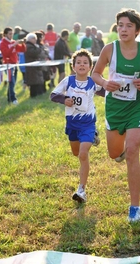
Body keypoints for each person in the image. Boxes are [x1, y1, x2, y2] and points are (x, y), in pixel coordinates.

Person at [91, 8, 140, 223]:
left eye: (129, 26)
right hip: (115, 107)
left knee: (132, 152)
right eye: (120, 25)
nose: (123, 29)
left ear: (138, 30)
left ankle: (135, 207)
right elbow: (95, 74)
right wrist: (105, 83)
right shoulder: (109, 49)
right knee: (115, 154)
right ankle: (121, 149)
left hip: (138, 106)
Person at [50, 49, 104, 203]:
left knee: (83, 154)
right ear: (73, 66)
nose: (81, 65)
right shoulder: (68, 81)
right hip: (72, 124)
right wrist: (64, 99)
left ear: (90, 66)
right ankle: (92, 137)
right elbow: (53, 95)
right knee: (76, 153)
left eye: (85, 63)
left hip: (88, 123)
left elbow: (107, 92)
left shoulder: (93, 82)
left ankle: (81, 190)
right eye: (78, 63)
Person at [0, 27, 26, 105]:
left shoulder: (13, 42)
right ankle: (13, 98)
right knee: (12, 81)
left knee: (13, 82)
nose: (11, 35)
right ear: (5, 34)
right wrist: (13, 45)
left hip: (14, 64)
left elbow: (22, 50)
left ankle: (10, 97)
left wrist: (23, 43)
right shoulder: (3, 43)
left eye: (12, 33)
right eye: (9, 34)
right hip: (8, 65)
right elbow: (6, 53)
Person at [24, 33, 46, 98]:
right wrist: (39, 48)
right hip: (31, 67)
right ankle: (33, 95)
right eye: (34, 39)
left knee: (36, 81)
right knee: (33, 83)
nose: (35, 40)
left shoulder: (32, 46)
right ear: (30, 39)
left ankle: (37, 94)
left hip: (35, 67)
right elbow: (34, 53)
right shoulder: (28, 46)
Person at [44, 23, 58, 88]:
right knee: (53, 68)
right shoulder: (55, 34)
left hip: (48, 52)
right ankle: (52, 81)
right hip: (52, 52)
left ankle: (51, 81)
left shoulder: (45, 35)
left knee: (51, 68)